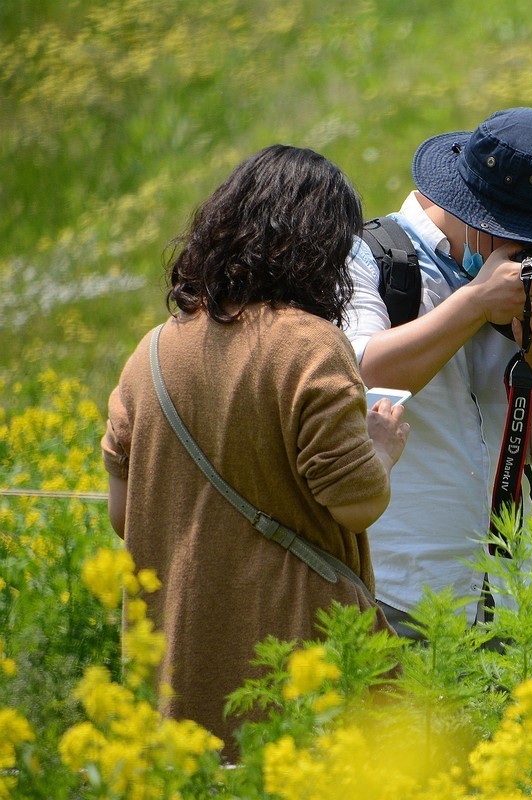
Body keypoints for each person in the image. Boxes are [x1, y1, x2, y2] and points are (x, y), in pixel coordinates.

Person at [101, 145, 409, 755]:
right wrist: (383, 447)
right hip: (298, 676)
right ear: (324, 250)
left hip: (176, 672)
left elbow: (122, 513)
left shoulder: (152, 352)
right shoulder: (310, 347)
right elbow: (355, 504)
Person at [342, 107, 532, 635]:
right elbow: (364, 374)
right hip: (391, 601)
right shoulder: (369, 258)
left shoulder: (526, 287)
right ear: (476, 213)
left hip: (503, 608)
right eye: (530, 235)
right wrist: (473, 304)